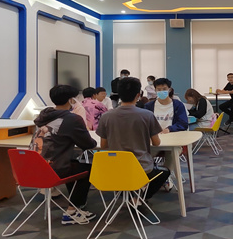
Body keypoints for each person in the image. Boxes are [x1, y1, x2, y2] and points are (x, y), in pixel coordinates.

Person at [30, 84, 97, 224]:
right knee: (87, 167)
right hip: (52, 169)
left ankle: (74, 206)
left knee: (74, 165)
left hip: (33, 168)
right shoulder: (72, 119)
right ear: (71, 100)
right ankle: (73, 211)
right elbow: (88, 144)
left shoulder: (44, 115)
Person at [96, 77, 170, 200]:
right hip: (141, 167)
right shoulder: (147, 115)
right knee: (164, 172)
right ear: (138, 95)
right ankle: (138, 197)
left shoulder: (106, 116)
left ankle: (128, 194)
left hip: (114, 167)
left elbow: (103, 145)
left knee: (123, 175)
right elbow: (156, 143)